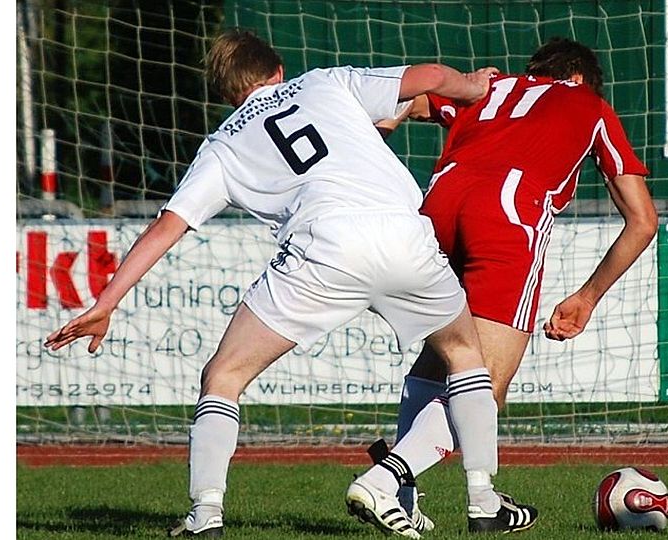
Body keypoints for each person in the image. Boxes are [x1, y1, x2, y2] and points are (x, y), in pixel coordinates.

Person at [43, 29, 536, 538]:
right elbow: (430, 78)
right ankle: (482, 501)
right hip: (404, 234)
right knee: (463, 354)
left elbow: (168, 225)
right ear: (276, 71)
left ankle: (205, 513)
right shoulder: (323, 83)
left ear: (228, 94)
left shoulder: (223, 146)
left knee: (224, 376)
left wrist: (106, 303)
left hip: (322, 251)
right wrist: (472, 88)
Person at [370, 37, 659, 527]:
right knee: (482, 385)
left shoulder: (492, 85)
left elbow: (406, 96)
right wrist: (587, 297)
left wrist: (387, 124)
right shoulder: (590, 106)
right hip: (504, 213)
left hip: (438, 204)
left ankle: (418, 499)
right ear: (583, 80)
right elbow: (643, 221)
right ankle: (383, 483)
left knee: (441, 358)